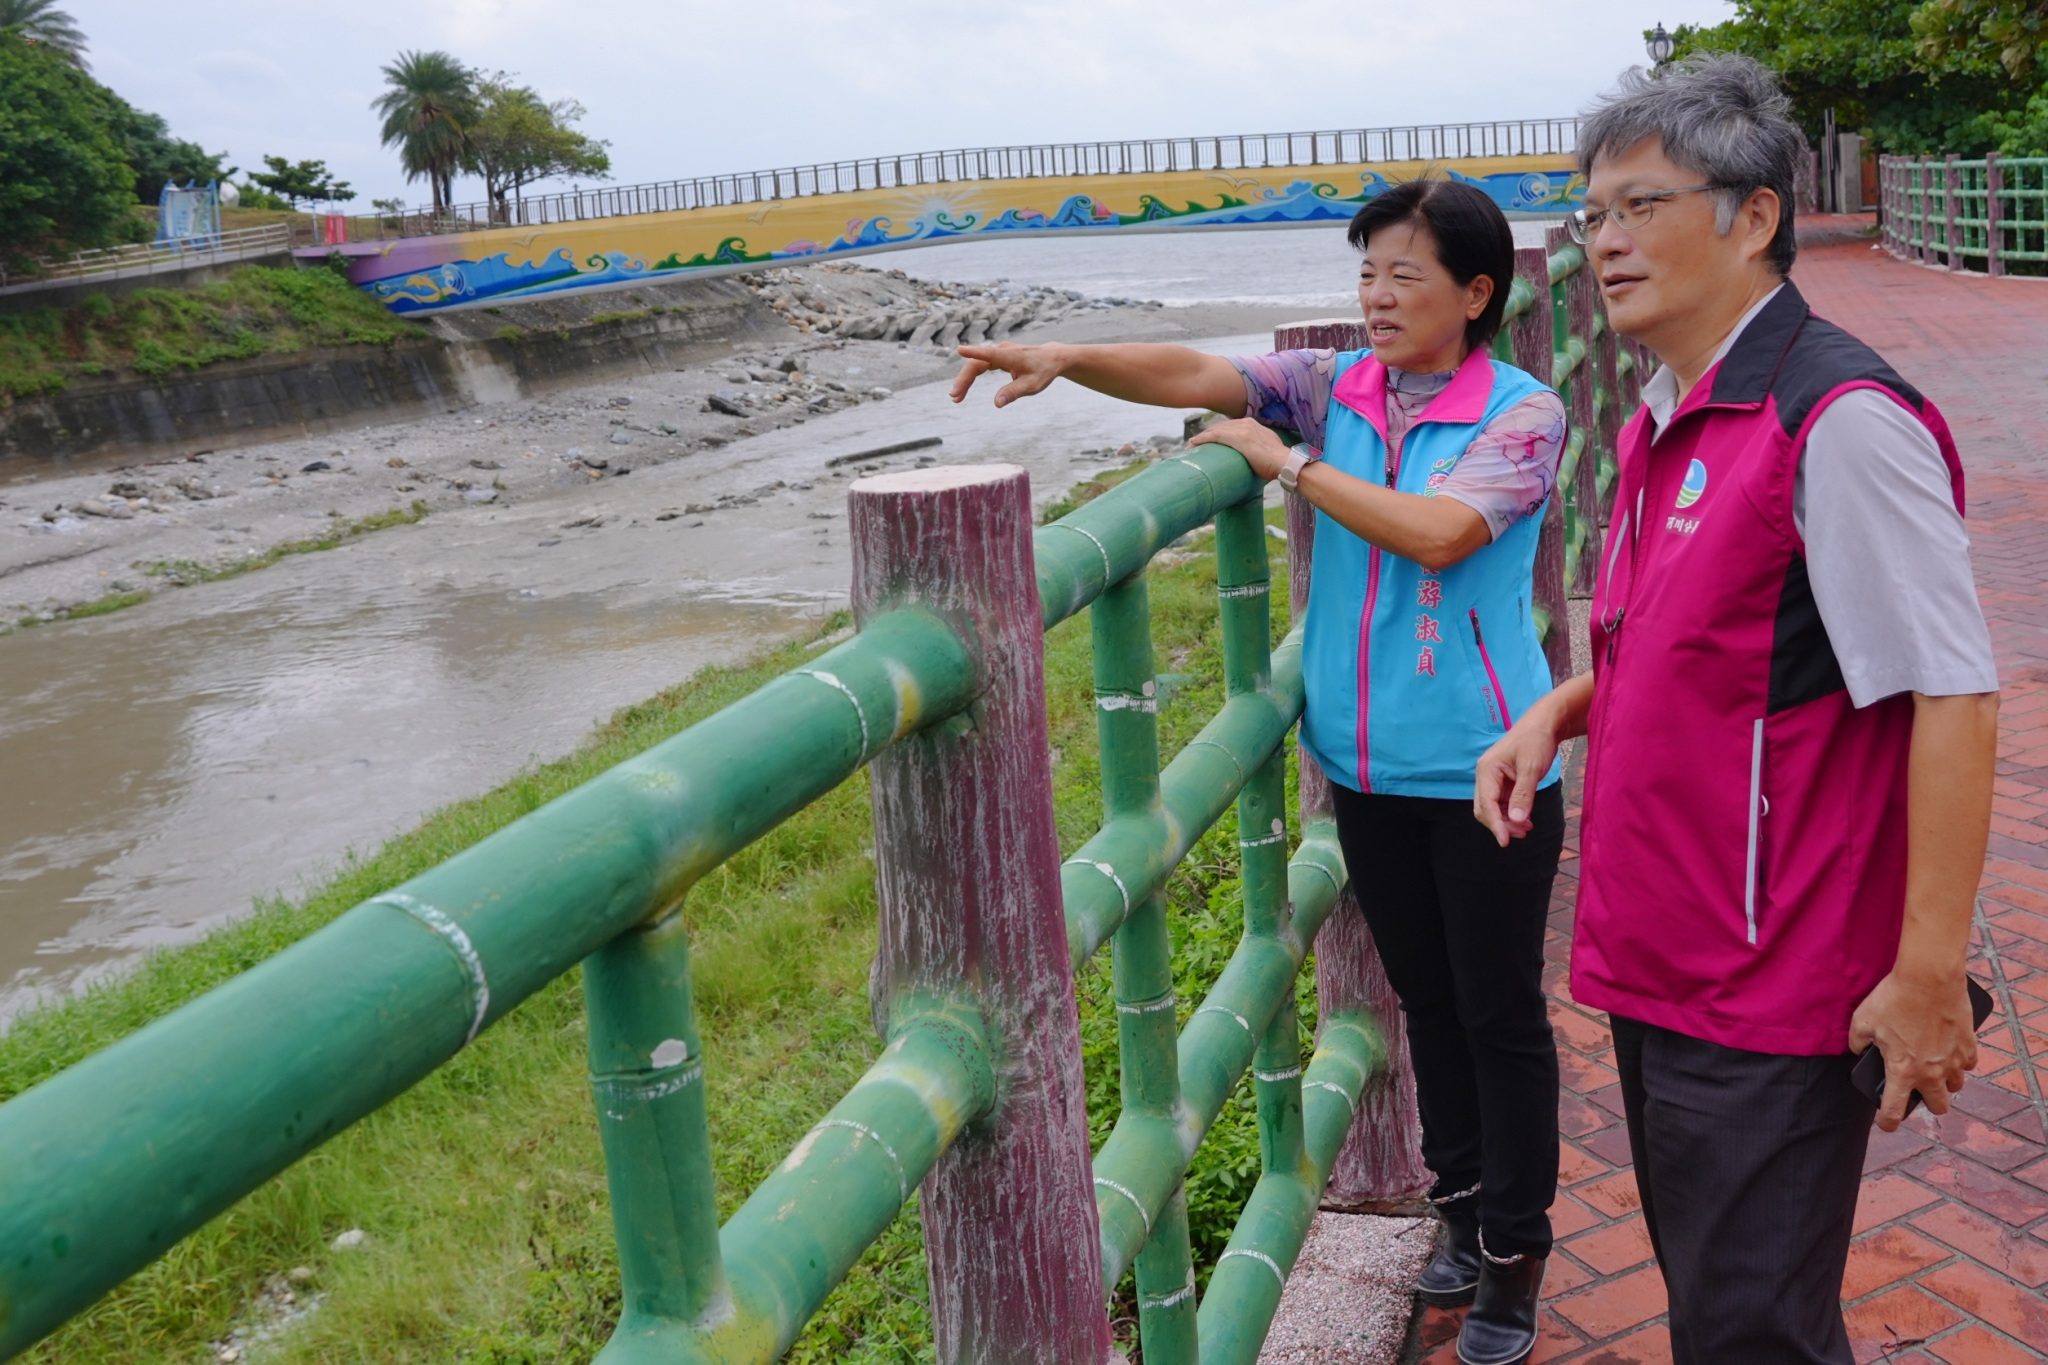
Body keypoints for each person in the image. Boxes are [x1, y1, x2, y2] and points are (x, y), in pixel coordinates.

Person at [953, 178, 1568, 1365]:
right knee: (1426, 1003)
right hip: (1365, 764)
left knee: (1499, 1020)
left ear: (1475, 293)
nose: (1376, 298)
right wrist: (1068, 355)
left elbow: (1438, 532)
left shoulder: (1520, 413)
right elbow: (1195, 376)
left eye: (1404, 276)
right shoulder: (1334, 387)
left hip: (1486, 765)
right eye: (1365, 275)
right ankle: (1455, 1213)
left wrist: (1284, 469)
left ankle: (1510, 1260)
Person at [1474, 55, 2001, 1364]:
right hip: (1668, 956)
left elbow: (1953, 692)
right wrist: (1566, 710)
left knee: (1749, 1334)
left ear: (1753, 216)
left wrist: (1930, 971)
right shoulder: (1672, 412)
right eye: (1591, 213)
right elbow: (1719, 645)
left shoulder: (1837, 420)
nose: (1604, 242)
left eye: (1640, 206)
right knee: (1726, 1312)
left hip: (1769, 986)